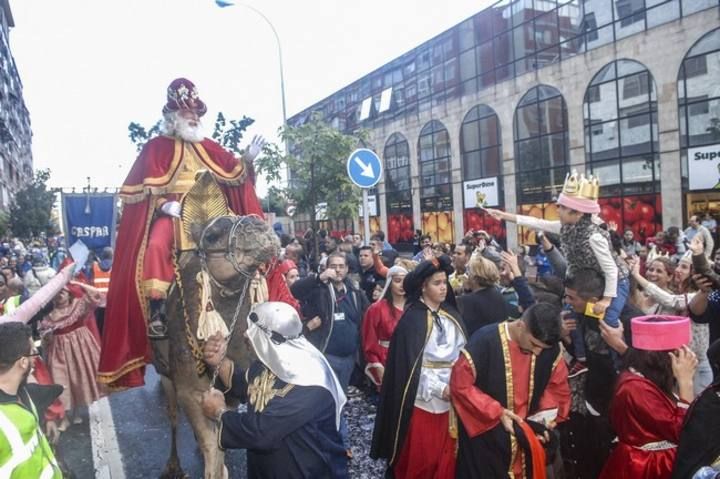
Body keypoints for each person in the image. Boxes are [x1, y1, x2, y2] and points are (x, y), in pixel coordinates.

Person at [99, 78, 266, 389]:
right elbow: (142, 192)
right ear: (172, 118)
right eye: (186, 112)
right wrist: (164, 206)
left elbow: (234, 174)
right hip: (175, 212)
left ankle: (258, 298)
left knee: (246, 243)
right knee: (156, 245)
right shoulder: (155, 148)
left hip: (212, 213)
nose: (194, 117)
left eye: (196, 112)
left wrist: (247, 160)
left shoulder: (209, 147)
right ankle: (159, 308)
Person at [199, 302, 348, 478]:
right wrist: (219, 361)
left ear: (267, 339)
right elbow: (246, 385)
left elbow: (261, 433)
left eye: (252, 331)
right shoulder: (275, 361)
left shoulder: (312, 380)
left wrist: (218, 412)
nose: (246, 335)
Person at [486, 171, 628, 331]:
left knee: (608, 320)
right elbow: (537, 222)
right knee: (570, 318)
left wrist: (606, 300)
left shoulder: (595, 237)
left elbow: (611, 270)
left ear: (578, 213)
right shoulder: (565, 227)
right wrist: (504, 215)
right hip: (587, 283)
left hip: (615, 282)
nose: (558, 210)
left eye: (563, 208)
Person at [370, 255, 467, 478]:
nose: (443, 288)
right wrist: (438, 388)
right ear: (423, 287)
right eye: (437, 283)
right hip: (422, 403)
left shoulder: (452, 316)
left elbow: (464, 356)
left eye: (445, 282)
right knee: (421, 461)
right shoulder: (411, 322)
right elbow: (409, 370)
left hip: (453, 401)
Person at [450, 302, 571, 478]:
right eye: (533, 344)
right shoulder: (485, 340)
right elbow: (460, 385)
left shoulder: (549, 350)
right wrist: (496, 412)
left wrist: (542, 419)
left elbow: (558, 388)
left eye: (542, 348)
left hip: (526, 437)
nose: (537, 353)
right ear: (521, 325)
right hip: (488, 436)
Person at [290, 251, 369, 455]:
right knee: (328, 399)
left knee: (339, 399)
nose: (337, 270)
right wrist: (318, 278)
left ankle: (335, 442)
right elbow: (295, 290)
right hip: (326, 355)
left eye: (341, 266)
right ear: (327, 268)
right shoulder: (319, 289)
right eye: (333, 266)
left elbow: (366, 315)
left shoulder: (353, 290)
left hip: (348, 357)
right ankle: (338, 444)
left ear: (347, 269)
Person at [599, 316, 697, 479]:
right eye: (681, 352)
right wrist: (686, 382)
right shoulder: (634, 388)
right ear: (666, 357)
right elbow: (682, 432)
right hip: (646, 467)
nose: (688, 358)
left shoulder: (647, 376)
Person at [0, 322, 63, 478]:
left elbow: (44, 394)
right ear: (22, 362)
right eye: (34, 353)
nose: (37, 359)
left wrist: (49, 419)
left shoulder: (23, 394)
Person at [39, 282, 105, 429]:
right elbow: (44, 337)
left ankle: (75, 412)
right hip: (58, 351)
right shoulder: (49, 314)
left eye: (62, 292)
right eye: (56, 293)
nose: (59, 295)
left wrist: (76, 283)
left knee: (77, 378)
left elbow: (96, 294)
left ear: (69, 293)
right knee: (60, 382)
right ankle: (64, 417)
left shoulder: (78, 305)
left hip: (79, 347)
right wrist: (47, 337)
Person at [362, 265, 409, 389]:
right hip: (386, 360)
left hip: (410, 360)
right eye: (397, 281)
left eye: (405, 281)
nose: (402, 285)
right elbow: (369, 340)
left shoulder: (414, 307)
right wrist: (377, 365)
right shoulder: (376, 309)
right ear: (389, 283)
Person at [457, 253, 508, 337]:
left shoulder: (465, 301)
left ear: (474, 278)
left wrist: (465, 292)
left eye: (468, 272)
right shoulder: (500, 296)